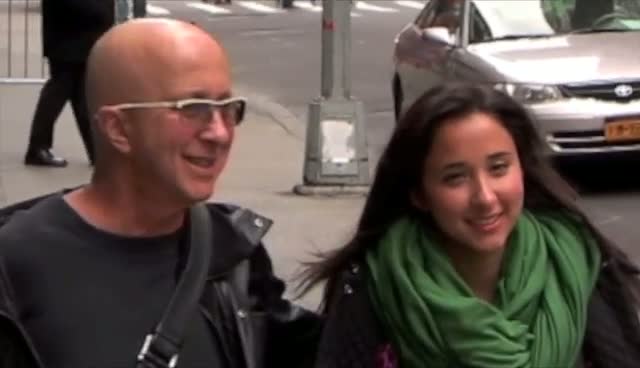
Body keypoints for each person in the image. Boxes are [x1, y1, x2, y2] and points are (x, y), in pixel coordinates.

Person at [0, 18, 320, 367]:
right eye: (193, 109)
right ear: (119, 129)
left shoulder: (231, 253)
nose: (220, 133)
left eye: (228, 108)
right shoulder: (14, 264)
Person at [299, 84, 640, 368]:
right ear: (419, 193)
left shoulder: (580, 269)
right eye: (455, 178)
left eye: (499, 168)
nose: (485, 197)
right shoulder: (373, 289)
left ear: (522, 168)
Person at [24, 0, 113, 167]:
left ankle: (96, 151)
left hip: (75, 39)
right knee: (59, 92)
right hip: (69, 40)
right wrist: (103, 12)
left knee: (80, 97)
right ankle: (37, 148)